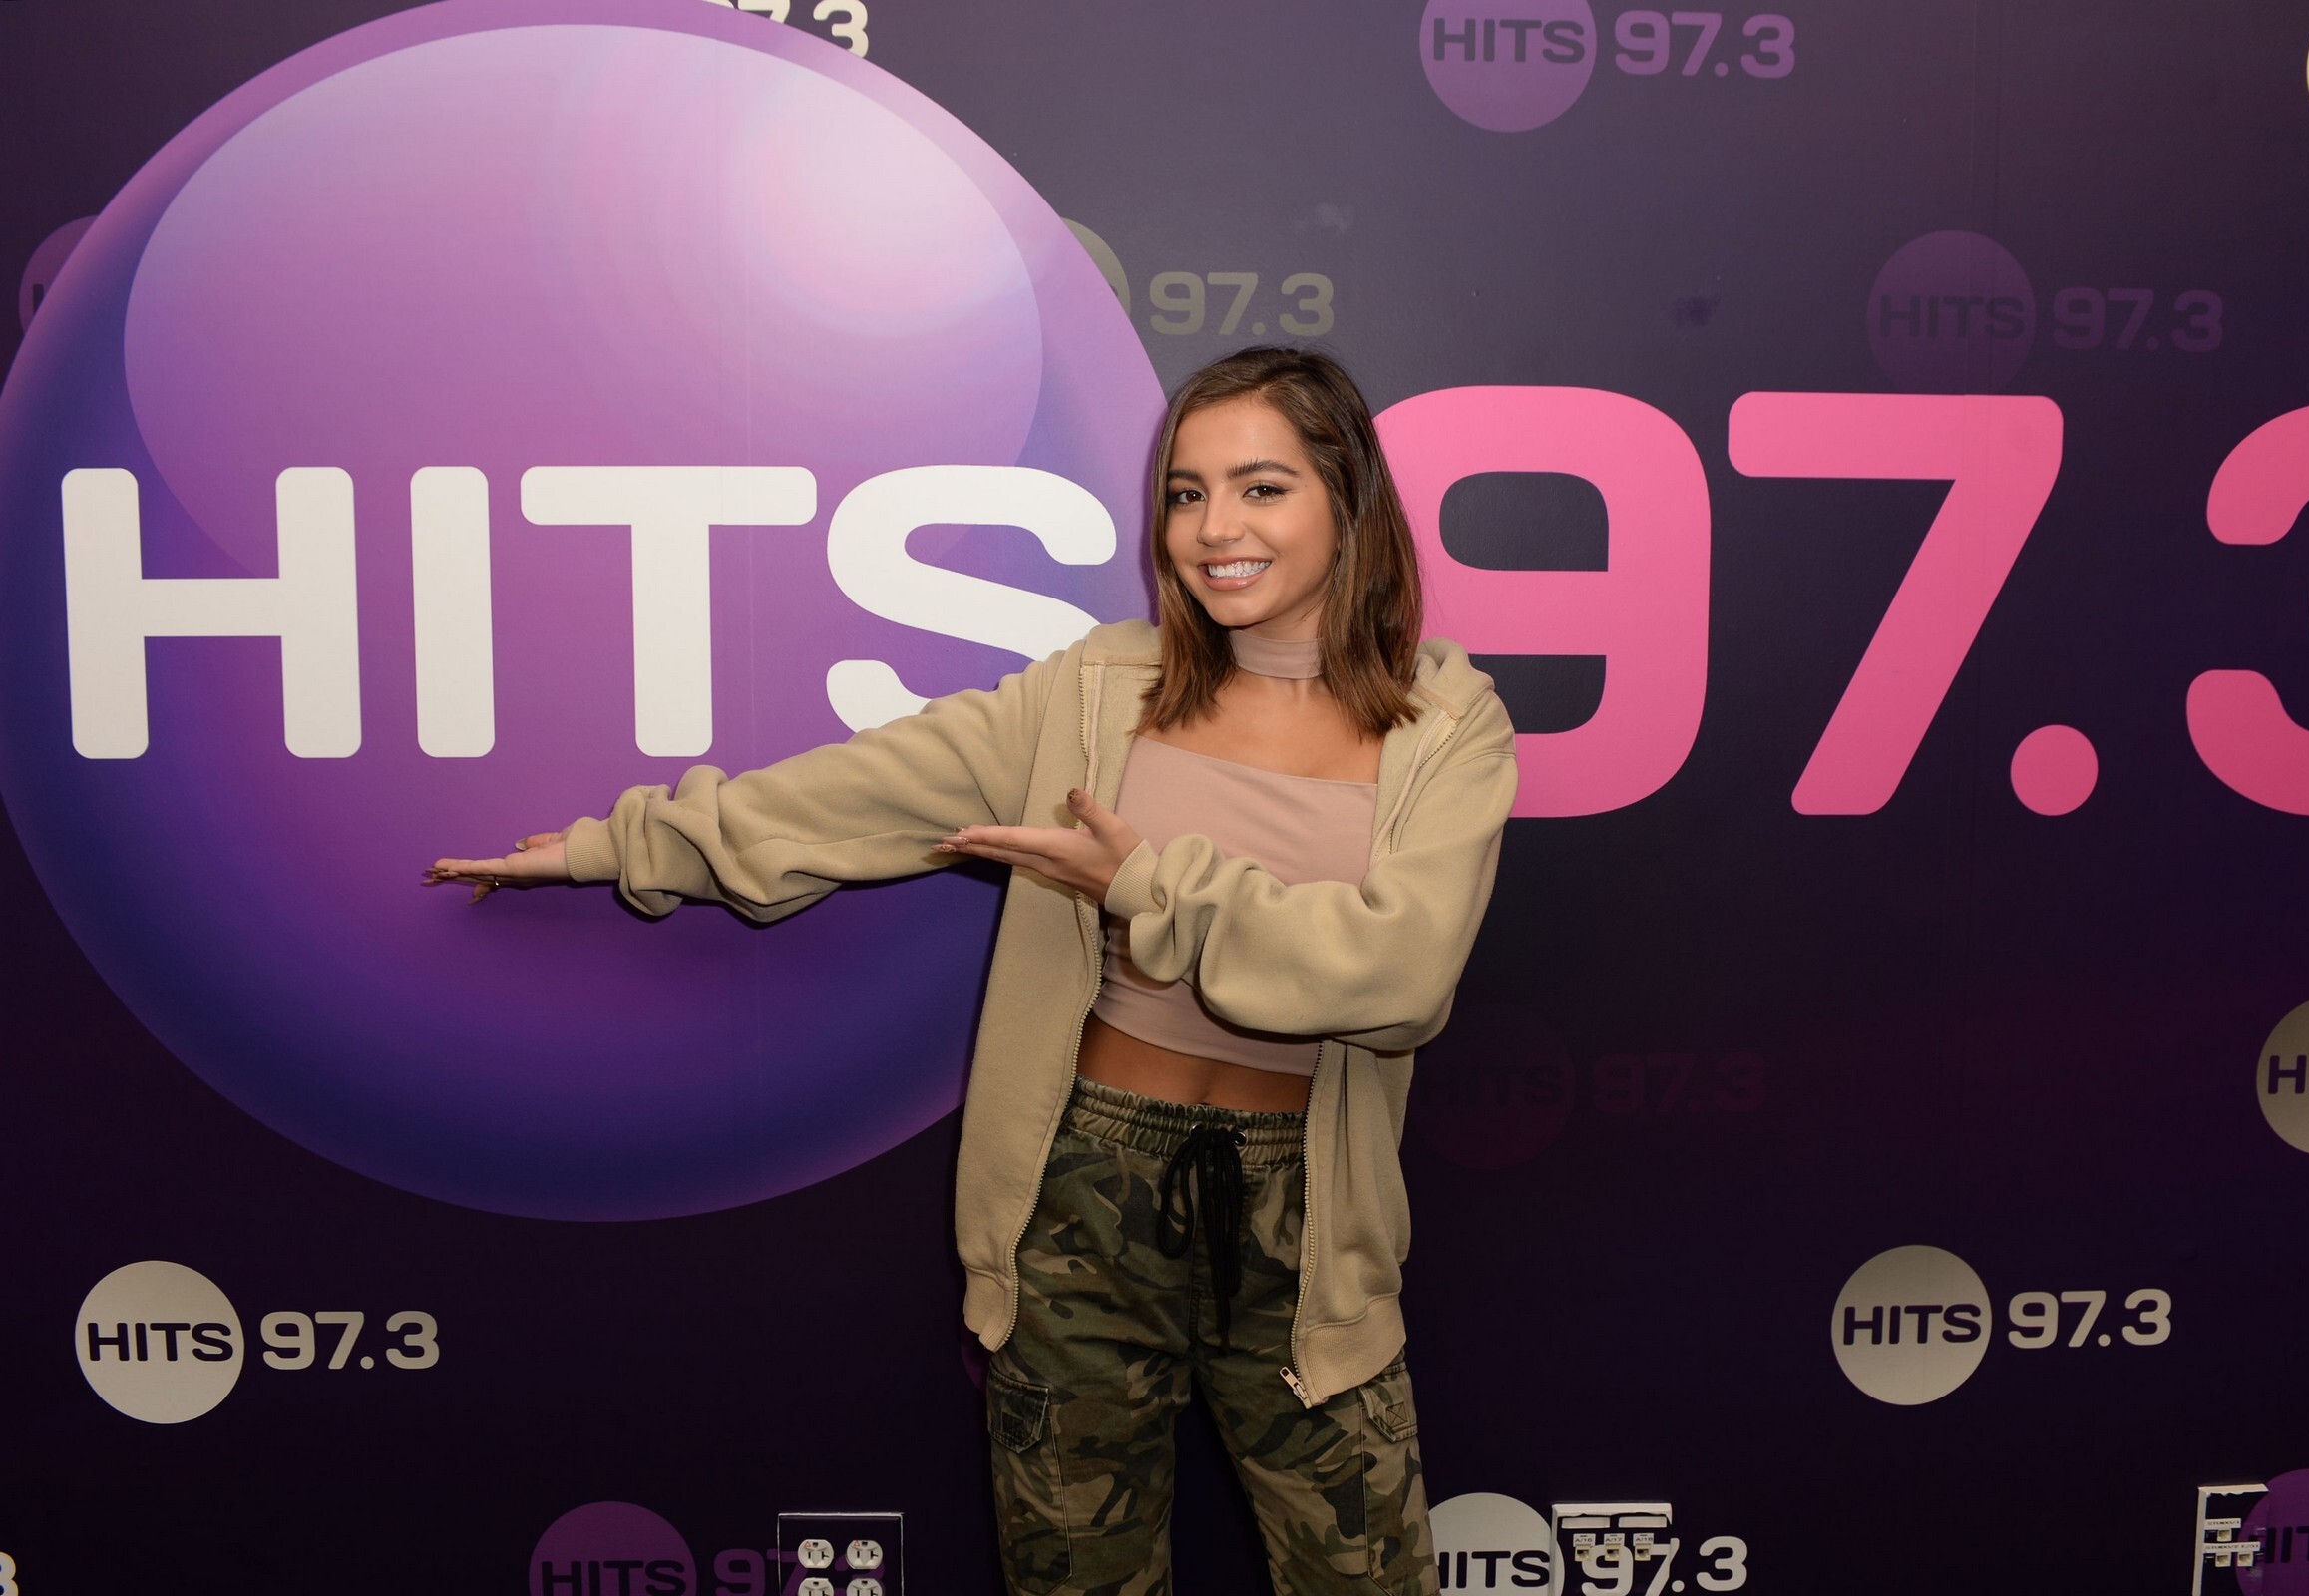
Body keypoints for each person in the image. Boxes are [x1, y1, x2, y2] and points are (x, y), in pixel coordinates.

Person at [427, 346, 1517, 1596]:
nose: (1215, 528)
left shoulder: (1447, 726)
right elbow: (853, 795)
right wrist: (610, 847)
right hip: (1085, 1188)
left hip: (1308, 1218)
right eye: (1186, 491)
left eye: (1261, 487)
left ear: (1348, 499)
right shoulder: (1095, 697)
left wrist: (1145, 884)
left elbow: (1398, 977)